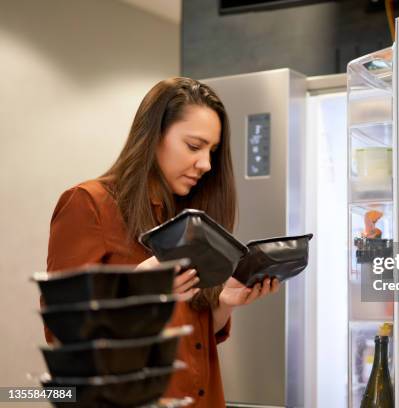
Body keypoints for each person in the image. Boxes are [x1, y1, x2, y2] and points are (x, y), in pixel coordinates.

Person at [44, 77, 280, 407]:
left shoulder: (190, 218)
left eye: (211, 151)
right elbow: (64, 336)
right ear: (153, 135)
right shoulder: (88, 204)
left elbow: (194, 337)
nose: (206, 164)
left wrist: (224, 304)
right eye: (194, 146)